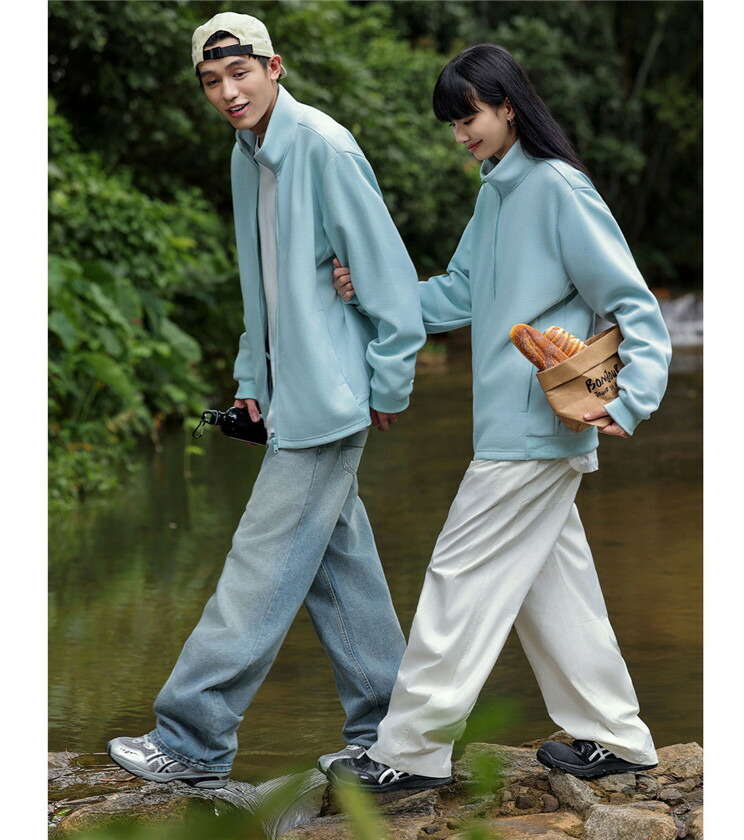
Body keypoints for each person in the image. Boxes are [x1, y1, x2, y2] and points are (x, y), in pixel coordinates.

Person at [325, 44, 671, 792]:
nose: (461, 135)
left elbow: (633, 304)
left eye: (469, 117)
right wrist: (370, 295)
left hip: (537, 429)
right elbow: (458, 292)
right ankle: (617, 737)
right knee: (555, 589)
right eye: (453, 124)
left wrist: (633, 398)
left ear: (508, 106)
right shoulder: (497, 193)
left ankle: (409, 753)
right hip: (514, 428)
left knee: (459, 578)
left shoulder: (558, 188)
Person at [107, 12, 425, 789]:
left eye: (239, 73)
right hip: (292, 396)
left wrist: (390, 384)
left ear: (274, 67)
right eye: (212, 81)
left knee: (260, 563)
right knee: (338, 566)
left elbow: (388, 279)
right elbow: (263, 288)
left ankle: (192, 741)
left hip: (333, 395)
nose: (227, 91)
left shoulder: (324, 146)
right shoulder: (247, 153)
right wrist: (253, 383)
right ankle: (396, 736)